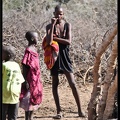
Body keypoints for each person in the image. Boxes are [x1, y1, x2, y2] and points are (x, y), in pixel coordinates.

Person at [45, 5, 85, 119]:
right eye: (57, 13)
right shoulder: (49, 26)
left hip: (65, 57)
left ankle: (80, 110)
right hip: (55, 57)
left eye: (61, 14)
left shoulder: (67, 25)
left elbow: (68, 41)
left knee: (73, 84)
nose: (59, 16)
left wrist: (55, 38)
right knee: (55, 84)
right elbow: (48, 42)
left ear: (63, 14)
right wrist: (52, 25)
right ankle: (59, 112)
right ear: (54, 13)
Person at [19, 31, 43, 120]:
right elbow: (25, 66)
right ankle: (27, 118)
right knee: (28, 99)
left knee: (34, 96)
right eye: (37, 38)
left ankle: (31, 117)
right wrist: (25, 80)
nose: (38, 40)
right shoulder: (28, 51)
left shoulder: (34, 50)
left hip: (35, 79)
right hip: (29, 79)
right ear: (33, 39)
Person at [2, 45, 25, 120]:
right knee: (13, 116)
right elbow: (21, 80)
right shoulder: (17, 65)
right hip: (15, 95)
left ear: (8, 55)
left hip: (4, 94)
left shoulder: (3, 65)